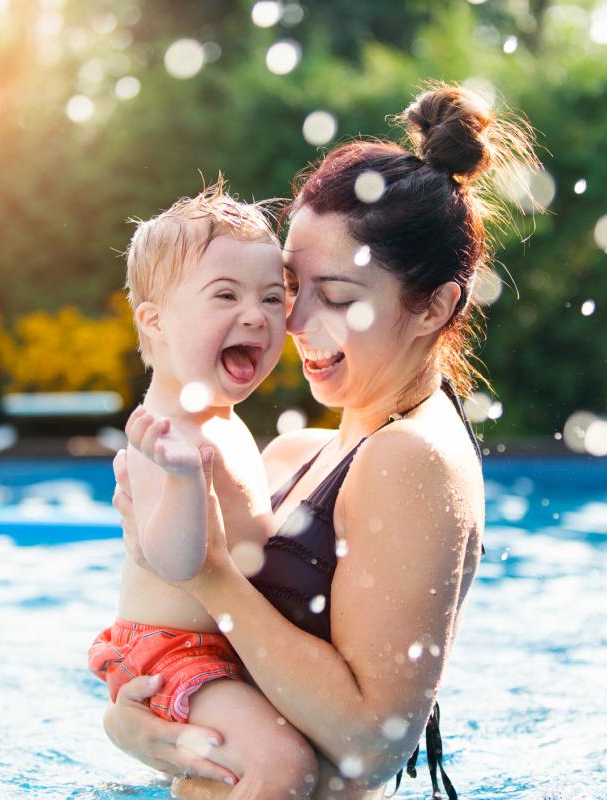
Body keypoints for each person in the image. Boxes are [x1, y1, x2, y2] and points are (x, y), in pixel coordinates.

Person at [104, 84, 541, 799]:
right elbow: (218, 663)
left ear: (434, 306)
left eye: (336, 297)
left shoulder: (412, 459)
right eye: (288, 287)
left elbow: (372, 743)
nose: (296, 322)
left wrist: (209, 573)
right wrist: (135, 724)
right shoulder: (295, 455)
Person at [87, 183, 320, 798]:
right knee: (285, 768)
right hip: (173, 655)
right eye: (226, 295)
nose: (256, 315)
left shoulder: (218, 416)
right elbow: (175, 560)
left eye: (273, 298)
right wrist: (186, 479)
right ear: (155, 320)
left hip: (223, 647)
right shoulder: (161, 432)